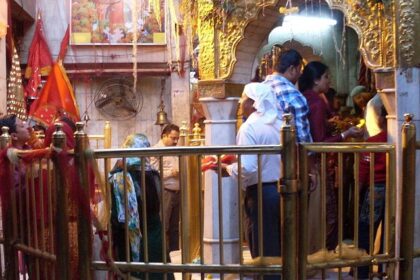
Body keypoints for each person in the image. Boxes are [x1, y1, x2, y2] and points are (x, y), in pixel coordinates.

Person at [218, 83, 282, 279]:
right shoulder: (277, 124)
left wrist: (227, 168)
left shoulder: (249, 128)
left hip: (261, 193)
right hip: (279, 191)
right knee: (275, 248)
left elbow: (248, 167)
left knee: (262, 249)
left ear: (254, 103)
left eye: (243, 99)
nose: (239, 103)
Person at [298, 61, 363, 251]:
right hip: (316, 163)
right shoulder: (317, 102)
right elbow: (318, 142)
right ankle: (321, 253)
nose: (329, 81)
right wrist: (346, 134)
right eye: (326, 77)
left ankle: (311, 251)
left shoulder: (307, 98)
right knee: (326, 211)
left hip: (304, 163)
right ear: (316, 80)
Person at [110, 133, 164, 279]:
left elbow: (116, 216)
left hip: (130, 241)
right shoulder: (154, 174)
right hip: (155, 236)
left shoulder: (119, 179)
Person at [357, 106, 388, 279]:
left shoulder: (375, 141)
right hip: (393, 188)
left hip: (375, 188)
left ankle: (362, 272)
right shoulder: (402, 140)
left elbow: (363, 170)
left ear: (382, 119)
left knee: (366, 231)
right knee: (389, 231)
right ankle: (384, 269)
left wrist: (358, 192)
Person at [263, 48, 312, 143]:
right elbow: (303, 140)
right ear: (292, 69)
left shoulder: (259, 90)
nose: (300, 74)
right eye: (299, 70)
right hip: (287, 154)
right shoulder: (294, 96)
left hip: (261, 152)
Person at [150, 124, 180, 253]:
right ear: (164, 136)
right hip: (165, 191)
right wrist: (170, 174)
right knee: (164, 225)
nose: (175, 141)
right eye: (173, 138)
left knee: (175, 226)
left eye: (177, 138)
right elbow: (153, 173)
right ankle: (162, 254)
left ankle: (174, 253)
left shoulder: (175, 149)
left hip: (177, 191)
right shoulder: (155, 150)